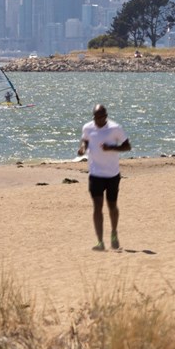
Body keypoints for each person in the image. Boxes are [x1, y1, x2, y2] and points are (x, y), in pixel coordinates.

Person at [77, 104, 131, 251]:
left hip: (112, 174)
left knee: (112, 206)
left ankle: (114, 233)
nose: (97, 120)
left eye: (100, 117)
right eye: (95, 117)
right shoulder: (87, 127)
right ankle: (100, 241)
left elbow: (127, 146)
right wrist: (83, 148)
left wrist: (111, 148)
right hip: (95, 174)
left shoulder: (115, 128)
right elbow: (86, 140)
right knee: (97, 206)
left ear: (105, 116)